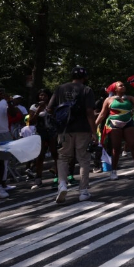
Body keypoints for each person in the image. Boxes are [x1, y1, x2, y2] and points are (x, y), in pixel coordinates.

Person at [48, 66, 97, 204]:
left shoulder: (60, 89)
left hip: (64, 129)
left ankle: (62, 184)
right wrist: (94, 132)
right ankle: (83, 191)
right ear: (85, 77)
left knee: (63, 157)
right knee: (83, 158)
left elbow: (50, 108)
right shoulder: (87, 90)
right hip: (82, 128)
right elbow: (89, 112)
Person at [95, 80, 134, 180]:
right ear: (115, 89)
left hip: (128, 123)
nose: (123, 87)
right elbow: (102, 114)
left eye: (123, 85)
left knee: (133, 145)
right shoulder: (108, 100)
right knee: (116, 148)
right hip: (114, 124)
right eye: (120, 86)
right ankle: (113, 171)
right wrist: (93, 126)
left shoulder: (129, 98)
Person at [28, 89, 60, 189]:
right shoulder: (34, 107)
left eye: (45, 95)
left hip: (52, 131)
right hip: (40, 132)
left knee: (55, 153)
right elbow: (31, 122)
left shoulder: (53, 105)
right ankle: (38, 179)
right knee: (40, 155)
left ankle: (57, 176)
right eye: (41, 95)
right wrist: (38, 111)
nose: (43, 97)